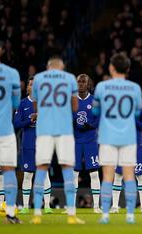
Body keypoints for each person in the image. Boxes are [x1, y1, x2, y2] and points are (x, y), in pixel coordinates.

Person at [30, 56, 83, 224]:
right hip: (64, 129)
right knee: (67, 169)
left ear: (48, 67)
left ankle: (37, 214)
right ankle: (71, 215)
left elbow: (35, 105)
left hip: (44, 129)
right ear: (62, 67)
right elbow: (75, 107)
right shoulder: (69, 79)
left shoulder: (38, 78)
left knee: (41, 169)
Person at [93, 53, 142, 224]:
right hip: (128, 136)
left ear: (111, 68)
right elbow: (137, 112)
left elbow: (95, 111)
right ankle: (130, 215)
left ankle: (105, 214)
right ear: (128, 69)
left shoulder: (101, 87)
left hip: (107, 136)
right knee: (129, 175)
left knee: (108, 176)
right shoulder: (135, 88)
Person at [14, 76, 52, 214]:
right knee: (28, 175)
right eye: (31, 84)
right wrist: (31, 119)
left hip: (43, 143)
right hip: (28, 144)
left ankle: (47, 206)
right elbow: (17, 124)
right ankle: (25, 206)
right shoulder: (22, 104)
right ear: (28, 88)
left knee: (45, 174)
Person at [111, 103, 142, 214]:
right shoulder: (120, 105)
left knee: (140, 176)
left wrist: (131, 119)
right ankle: (114, 206)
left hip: (136, 146)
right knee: (118, 176)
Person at [0, 40, 22, 224]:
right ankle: (11, 215)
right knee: (8, 171)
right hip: (5, 131)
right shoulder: (12, 74)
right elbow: (15, 104)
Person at [72, 74, 101, 213]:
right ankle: (71, 206)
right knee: (73, 174)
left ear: (88, 84)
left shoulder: (94, 101)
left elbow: (99, 120)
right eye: (79, 82)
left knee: (94, 173)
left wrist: (90, 125)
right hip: (75, 141)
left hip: (90, 141)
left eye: (84, 82)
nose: (81, 84)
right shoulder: (71, 101)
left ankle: (96, 206)